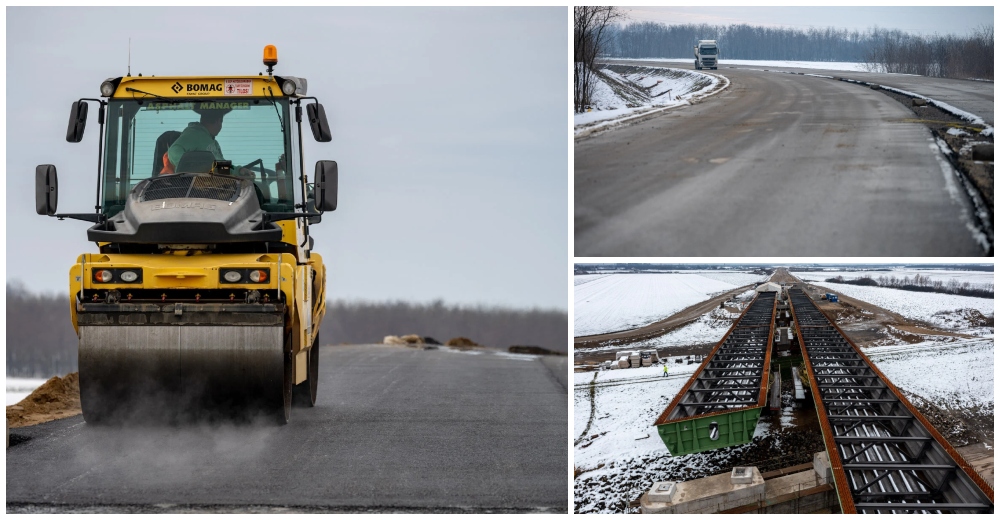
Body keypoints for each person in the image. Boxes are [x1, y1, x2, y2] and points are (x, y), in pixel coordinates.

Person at [160, 106, 251, 176]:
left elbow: (218, 166)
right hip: (195, 189)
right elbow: (174, 151)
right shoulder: (194, 133)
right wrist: (194, 170)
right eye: (221, 123)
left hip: (212, 188)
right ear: (219, 121)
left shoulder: (214, 143)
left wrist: (238, 171)